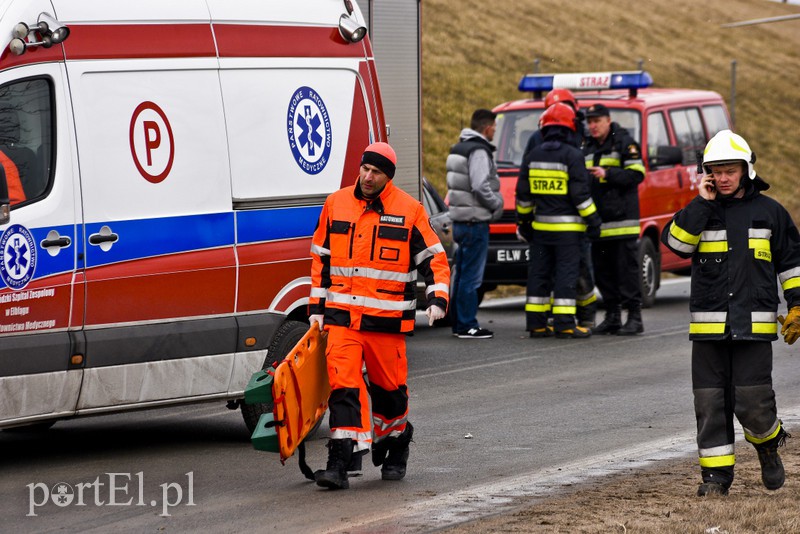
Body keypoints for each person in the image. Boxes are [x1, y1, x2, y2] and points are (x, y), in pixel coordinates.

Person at [661, 129, 800, 496]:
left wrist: (798, 303)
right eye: (716, 171)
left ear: (745, 170)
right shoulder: (700, 212)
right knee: (710, 406)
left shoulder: (771, 213)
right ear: (706, 174)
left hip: (753, 328)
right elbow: (675, 245)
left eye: (729, 171)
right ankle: (716, 480)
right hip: (709, 331)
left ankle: (768, 445)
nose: (722, 178)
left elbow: (792, 263)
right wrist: (701, 203)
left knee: (753, 404)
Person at [308, 142, 450, 490]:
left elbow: (434, 258)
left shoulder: (410, 211)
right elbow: (321, 260)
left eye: (376, 173)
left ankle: (397, 441)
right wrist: (316, 309)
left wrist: (438, 298)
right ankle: (339, 463)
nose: (368, 177)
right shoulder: (336, 203)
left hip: (386, 324)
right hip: (342, 319)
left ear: (388, 177)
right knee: (343, 387)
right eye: (365, 169)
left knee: (390, 395)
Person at [516, 103, 601, 338]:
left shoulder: (532, 155)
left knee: (539, 274)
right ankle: (564, 324)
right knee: (566, 275)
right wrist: (594, 221)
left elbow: (523, 196)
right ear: (570, 128)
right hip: (568, 233)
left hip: (540, 230)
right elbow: (580, 196)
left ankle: (536, 324)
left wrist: (524, 223)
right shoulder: (573, 155)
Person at [582, 103, 646, 335]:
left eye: (597, 121)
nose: (593, 126)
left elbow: (637, 174)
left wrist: (607, 174)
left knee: (626, 272)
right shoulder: (587, 146)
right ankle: (612, 316)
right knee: (603, 273)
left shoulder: (625, 143)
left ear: (608, 121)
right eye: (590, 122)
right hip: (599, 224)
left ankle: (635, 317)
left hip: (622, 223)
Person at [446, 109, 504, 339]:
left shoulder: (458, 148)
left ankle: (458, 323)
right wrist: (496, 203)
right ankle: (468, 325)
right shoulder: (479, 151)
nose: (495, 131)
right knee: (471, 277)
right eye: (494, 128)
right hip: (475, 222)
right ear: (487, 128)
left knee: (461, 274)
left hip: (460, 221)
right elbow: (480, 185)